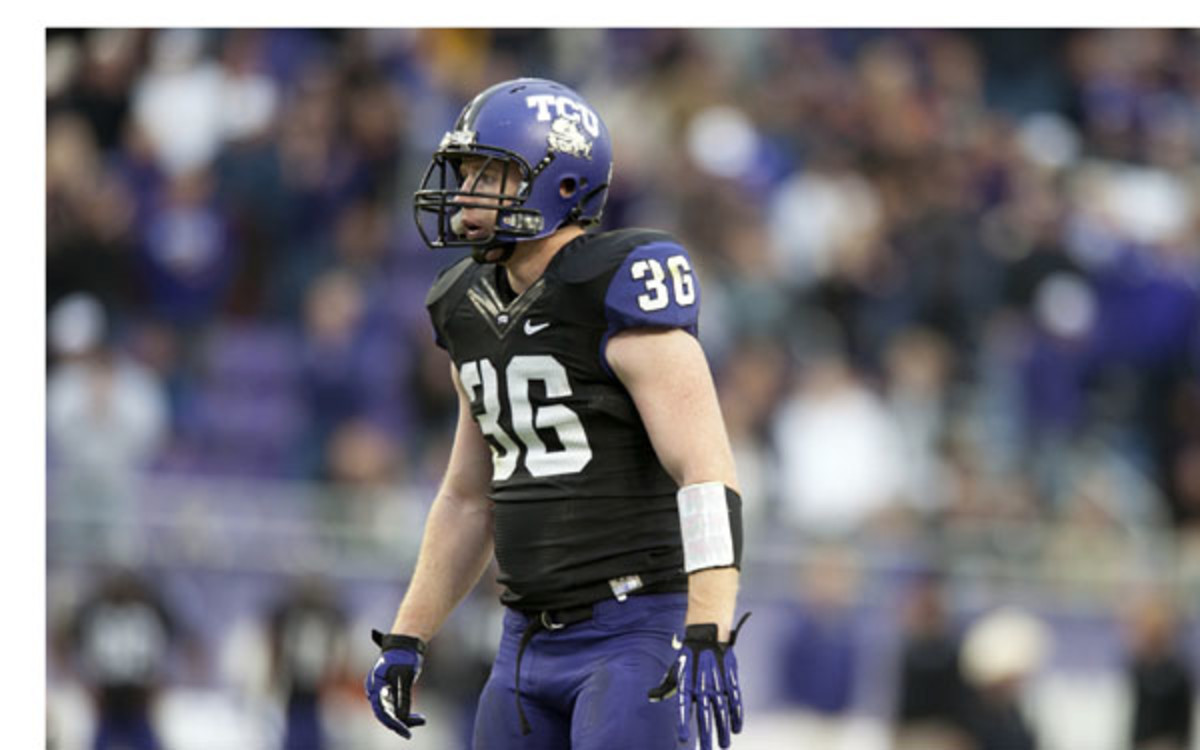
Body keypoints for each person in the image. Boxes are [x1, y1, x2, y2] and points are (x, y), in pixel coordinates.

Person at [363, 77, 750, 750]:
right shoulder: (466, 307)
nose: (468, 191)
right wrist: (409, 633)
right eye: (467, 170)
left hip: (632, 634)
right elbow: (467, 496)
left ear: (562, 184)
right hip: (522, 643)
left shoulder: (620, 284)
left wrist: (709, 621)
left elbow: (705, 471)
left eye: (493, 172)